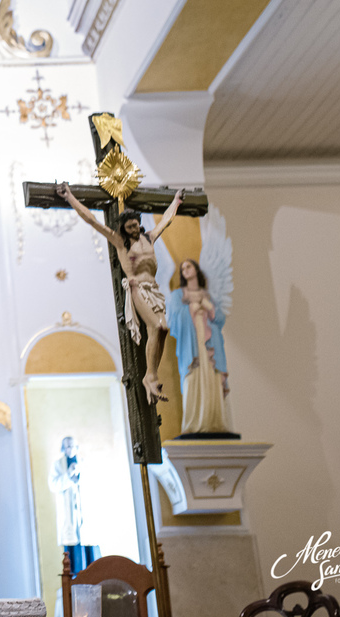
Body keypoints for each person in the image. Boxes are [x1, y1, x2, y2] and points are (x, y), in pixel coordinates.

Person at [57, 183, 183, 403]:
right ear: (123, 228)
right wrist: (69, 197)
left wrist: (176, 201)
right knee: (156, 326)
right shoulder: (121, 242)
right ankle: (150, 376)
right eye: (129, 227)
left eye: (135, 225)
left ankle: (152, 374)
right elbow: (92, 220)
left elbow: (166, 220)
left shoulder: (149, 237)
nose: (133, 229)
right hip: (137, 287)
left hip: (153, 289)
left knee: (163, 329)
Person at [167, 259, 231, 435]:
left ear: (196, 269)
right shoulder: (178, 295)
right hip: (191, 344)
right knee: (193, 377)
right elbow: (174, 320)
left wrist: (209, 307)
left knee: (212, 377)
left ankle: (214, 422)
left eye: (189, 266)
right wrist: (192, 308)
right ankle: (195, 423)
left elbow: (219, 319)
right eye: (183, 269)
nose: (185, 270)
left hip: (211, 344)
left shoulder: (208, 295)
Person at [47, 437, 98, 574]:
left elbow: (91, 481)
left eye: (72, 446)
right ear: (63, 449)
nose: (70, 449)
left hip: (83, 511)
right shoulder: (58, 465)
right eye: (67, 447)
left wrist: (79, 475)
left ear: (77, 447)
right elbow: (53, 484)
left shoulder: (83, 462)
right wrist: (68, 476)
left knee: (89, 549)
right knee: (73, 552)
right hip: (68, 514)